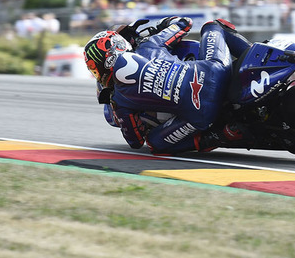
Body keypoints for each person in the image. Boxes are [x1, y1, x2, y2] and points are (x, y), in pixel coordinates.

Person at [83, 16, 253, 154]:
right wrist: (163, 25)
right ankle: (255, 54)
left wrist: (118, 109)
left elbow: (135, 142)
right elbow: (185, 23)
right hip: (216, 71)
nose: (97, 74)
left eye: (95, 68)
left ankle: (222, 134)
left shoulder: (119, 100)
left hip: (201, 114)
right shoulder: (148, 45)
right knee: (213, 26)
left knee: (154, 144)